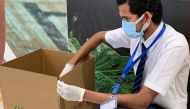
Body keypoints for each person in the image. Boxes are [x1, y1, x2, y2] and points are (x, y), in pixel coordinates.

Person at [57, 0, 190, 108]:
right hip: (138, 99)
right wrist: (71, 64)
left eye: (126, 19)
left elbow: (141, 102)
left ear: (147, 17)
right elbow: (99, 36)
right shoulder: (137, 32)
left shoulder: (174, 46)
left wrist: (81, 94)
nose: (124, 24)